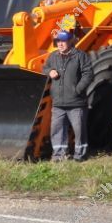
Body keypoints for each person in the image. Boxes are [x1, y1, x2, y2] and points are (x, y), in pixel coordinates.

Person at [43, 29, 93, 162]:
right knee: (57, 129)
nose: (60, 44)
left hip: (76, 103)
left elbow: (88, 74)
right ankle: (59, 155)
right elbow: (45, 67)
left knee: (79, 130)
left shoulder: (81, 56)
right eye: (58, 41)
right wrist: (50, 71)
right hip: (58, 103)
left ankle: (80, 155)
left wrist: (77, 90)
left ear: (71, 41)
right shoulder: (53, 56)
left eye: (63, 41)